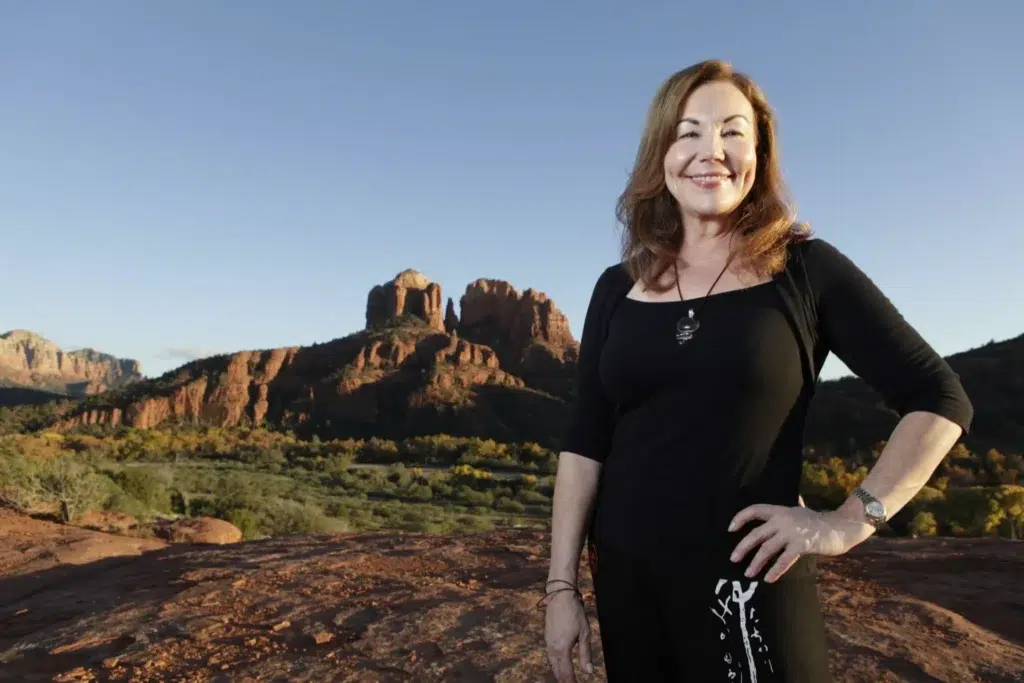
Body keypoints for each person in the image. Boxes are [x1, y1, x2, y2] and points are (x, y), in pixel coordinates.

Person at [541, 59, 973, 683]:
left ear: (759, 154)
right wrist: (561, 587)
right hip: (630, 591)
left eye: (732, 132)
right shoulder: (617, 286)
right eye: (688, 132)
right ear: (660, 154)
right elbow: (586, 442)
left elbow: (939, 396)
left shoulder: (805, 270)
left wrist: (848, 522)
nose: (710, 152)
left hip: (751, 591)